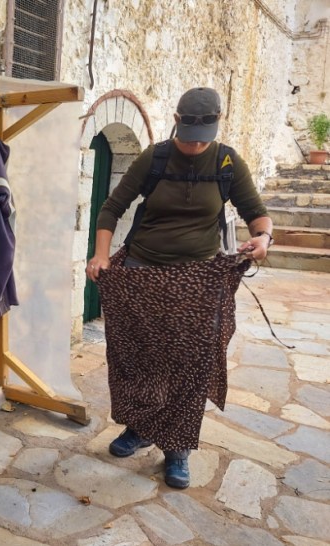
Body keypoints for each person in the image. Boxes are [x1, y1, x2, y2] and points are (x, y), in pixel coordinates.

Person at [85, 87, 273, 489]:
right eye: (190, 137)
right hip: (142, 273)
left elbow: (257, 215)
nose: (196, 145)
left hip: (197, 281)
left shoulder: (226, 162)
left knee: (190, 365)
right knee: (140, 357)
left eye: (204, 137)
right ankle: (140, 427)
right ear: (176, 120)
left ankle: (177, 448)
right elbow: (112, 207)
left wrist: (263, 239)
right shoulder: (154, 158)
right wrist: (101, 255)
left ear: (217, 124)